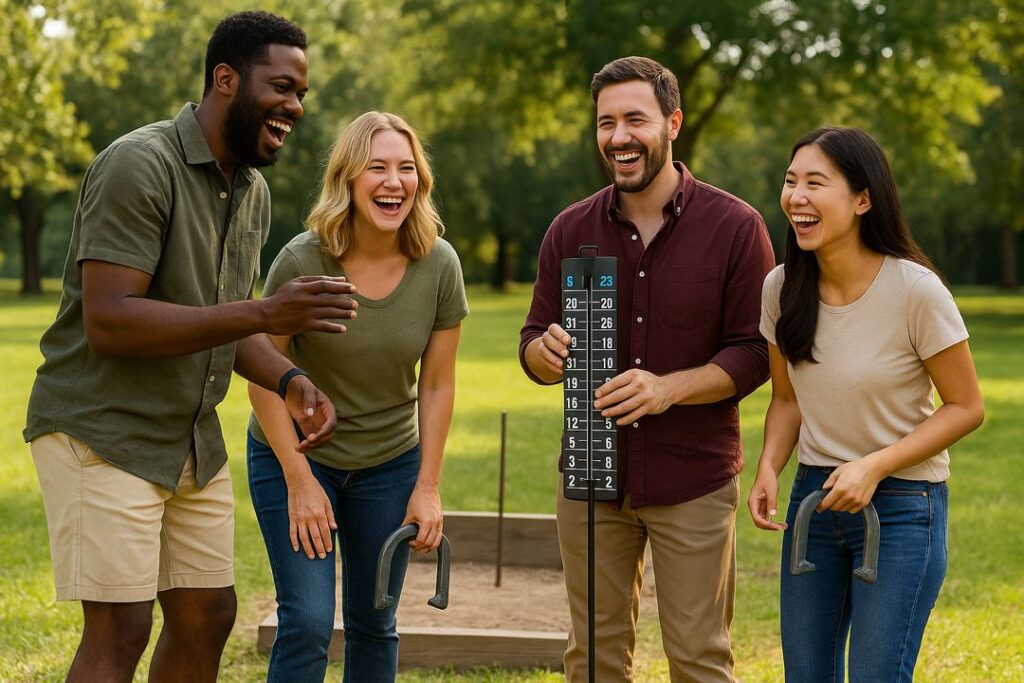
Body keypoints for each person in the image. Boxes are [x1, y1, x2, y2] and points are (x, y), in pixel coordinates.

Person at [22, 12, 360, 683]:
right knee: (121, 625)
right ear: (226, 79)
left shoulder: (252, 191)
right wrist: (267, 311)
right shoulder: (139, 163)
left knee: (207, 612)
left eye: (302, 94)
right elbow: (110, 320)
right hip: (104, 428)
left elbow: (224, 327)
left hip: (188, 437)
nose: (293, 106)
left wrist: (291, 378)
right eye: (281, 87)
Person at [520, 56, 775, 682]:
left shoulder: (736, 227)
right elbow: (531, 342)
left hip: (692, 479)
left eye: (635, 118)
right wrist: (544, 355)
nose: (619, 136)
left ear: (673, 123)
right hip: (590, 473)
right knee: (593, 662)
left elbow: (757, 352)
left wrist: (668, 389)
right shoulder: (569, 229)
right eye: (606, 122)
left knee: (699, 660)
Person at [747, 126, 985, 682]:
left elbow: (966, 406)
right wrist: (767, 468)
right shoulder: (781, 289)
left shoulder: (916, 291)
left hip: (903, 510)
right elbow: (787, 398)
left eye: (814, 183)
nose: (796, 197)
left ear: (862, 199)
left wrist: (874, 466)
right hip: (815, 501)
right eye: (790, 182)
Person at [247, 110, 467, 682]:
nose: (394, 182)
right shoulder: (302, 260)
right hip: (297, 458)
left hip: (390, 465)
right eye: (377, 168)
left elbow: (438, 382)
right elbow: (261, 373)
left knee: (375, 620)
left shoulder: (439, 264)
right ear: (347, 178)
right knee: (309, 621)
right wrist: (299, 480)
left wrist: (428, 487)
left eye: (406, 168)